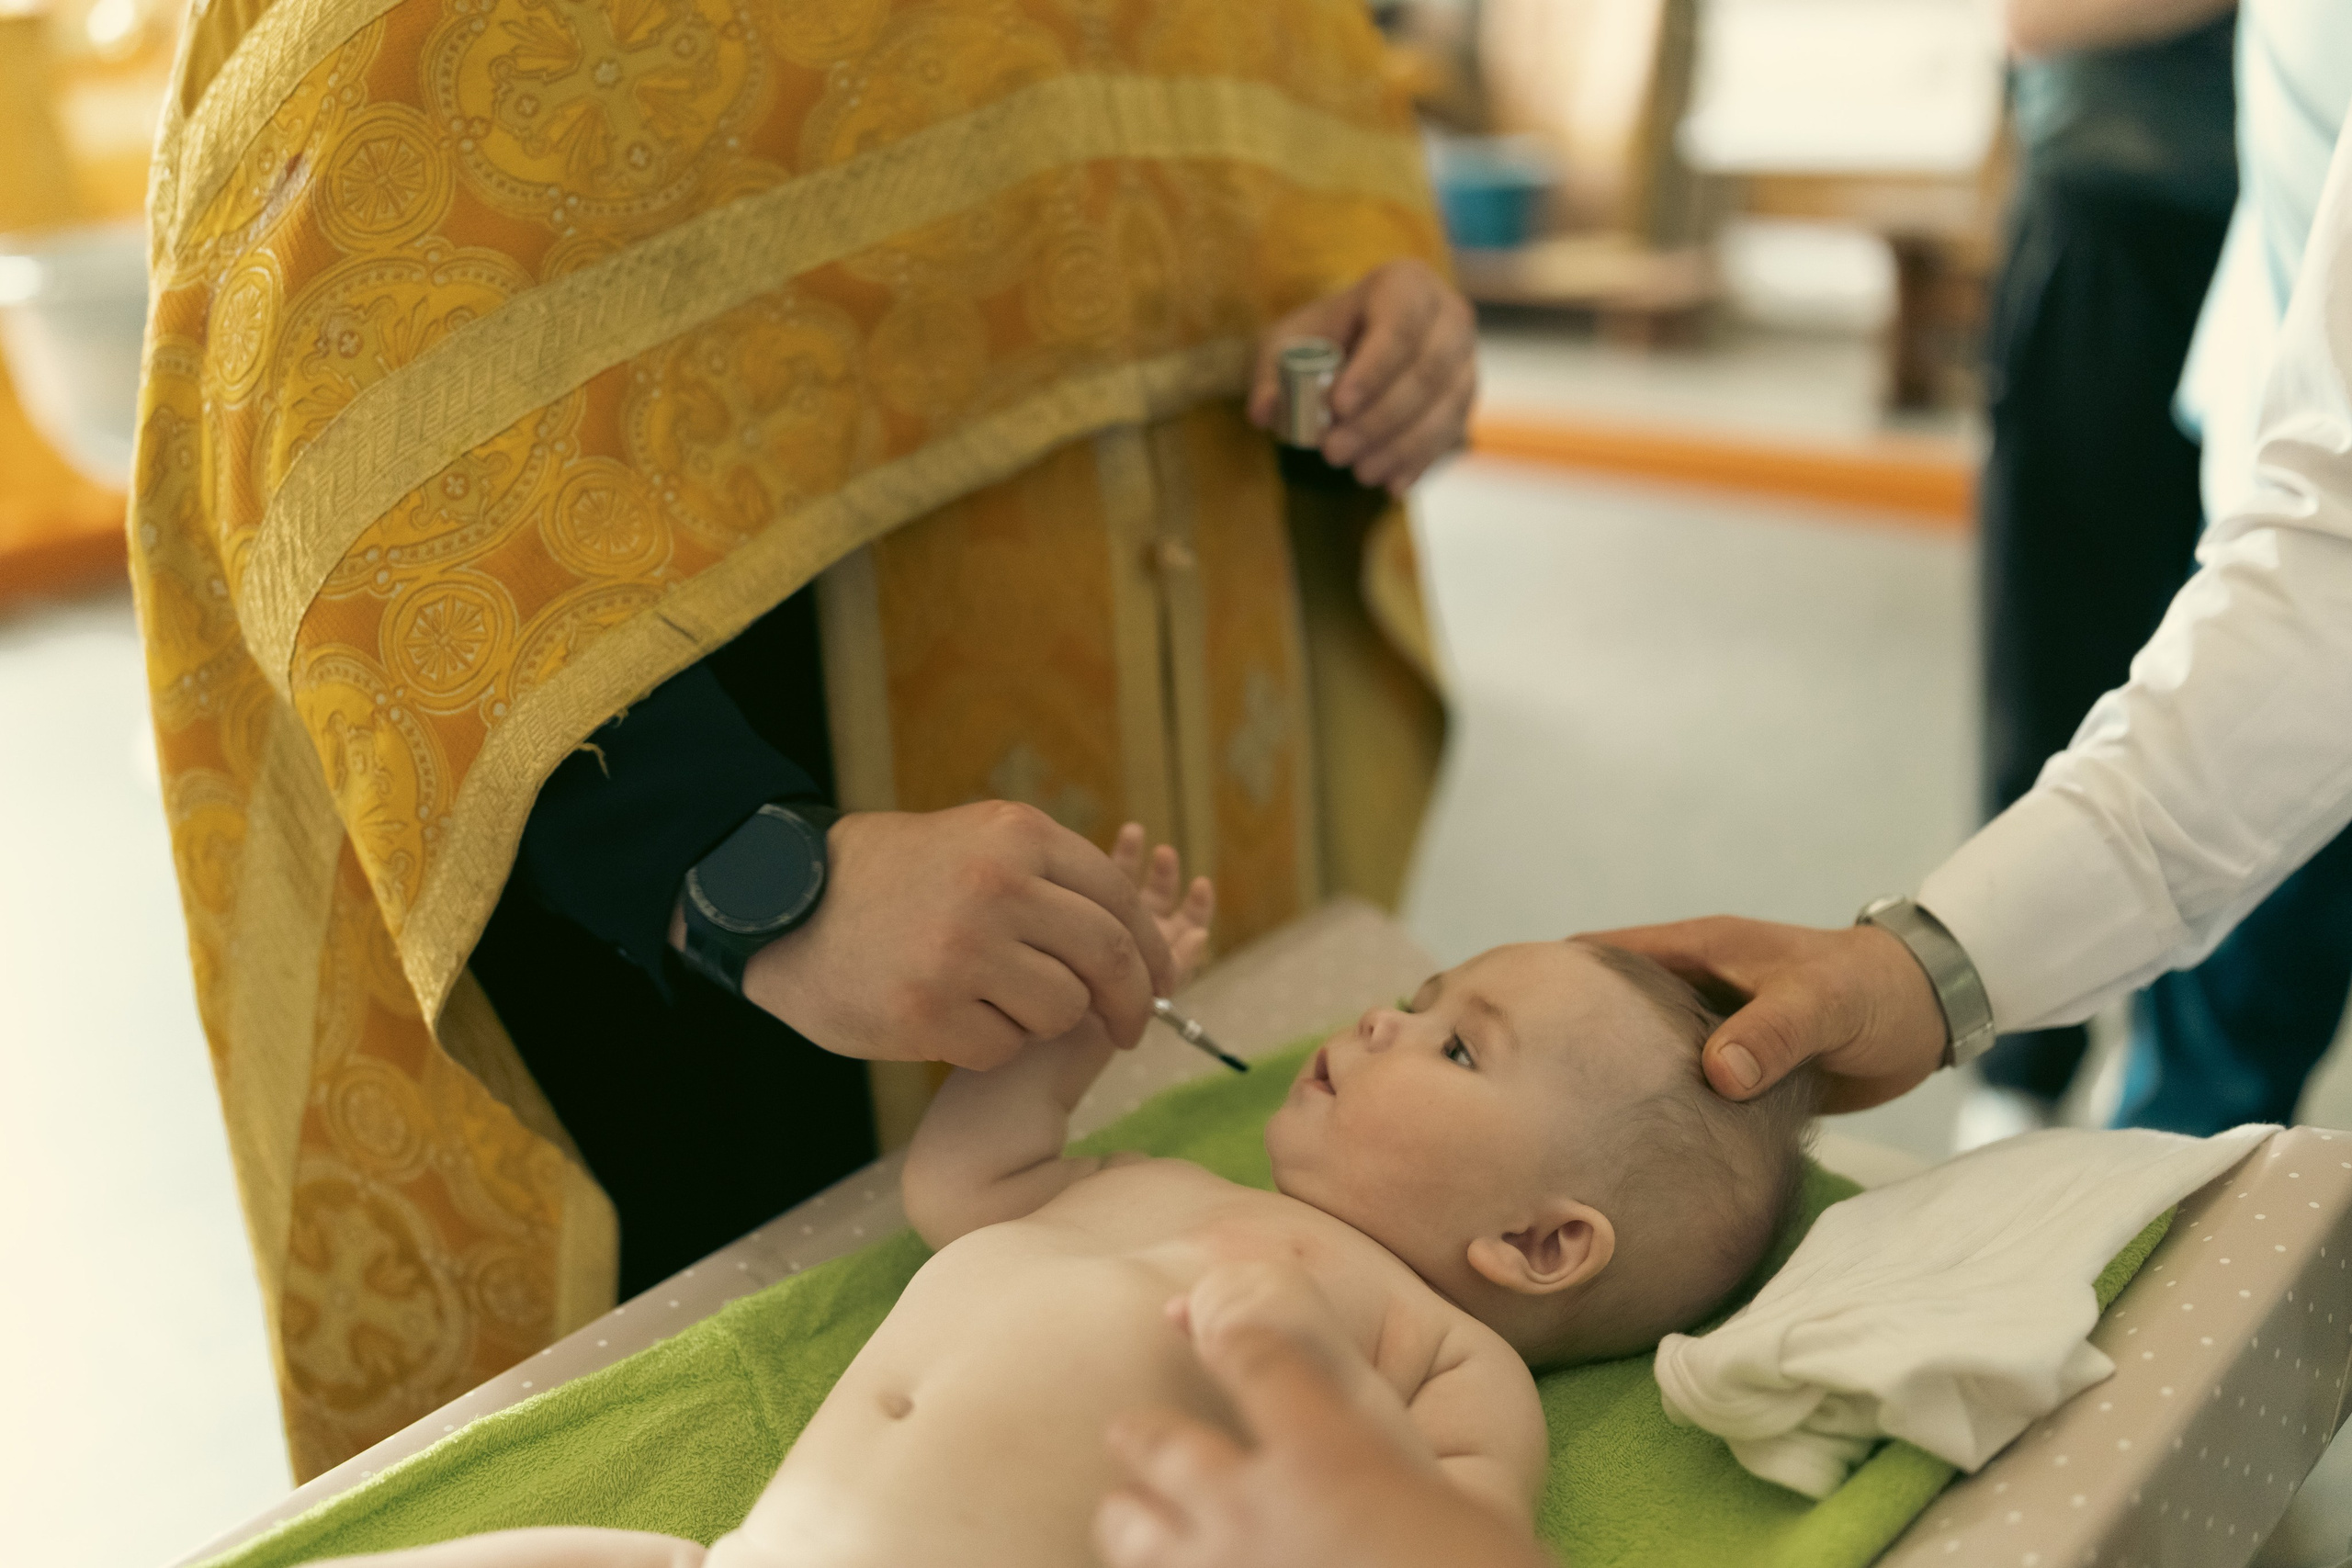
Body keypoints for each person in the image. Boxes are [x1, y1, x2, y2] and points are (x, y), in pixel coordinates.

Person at [130, 0, 1471, 1477]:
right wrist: (753, 869)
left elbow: (1248, 206)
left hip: (1198, 672)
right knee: (794, 1416)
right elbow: (348, 401)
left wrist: (1359, 343)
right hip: (749, 897)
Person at [294, 830, 1816, 1568]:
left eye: (1458, 1043)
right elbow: (967, 1188)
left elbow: (1436, 1545)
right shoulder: (1159, 1177)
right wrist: (1074, 1037)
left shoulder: (1440, 1356)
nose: (1379, 1021)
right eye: (1416, 996)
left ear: (1541, 1243)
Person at [1966, 0, 2240, 1137]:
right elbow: (2032, 16)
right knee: (2062, 670)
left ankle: (2200, 1107)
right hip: (2121, 224)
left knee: (2264, 692)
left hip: (2292, 241)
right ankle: (2014, 1071)